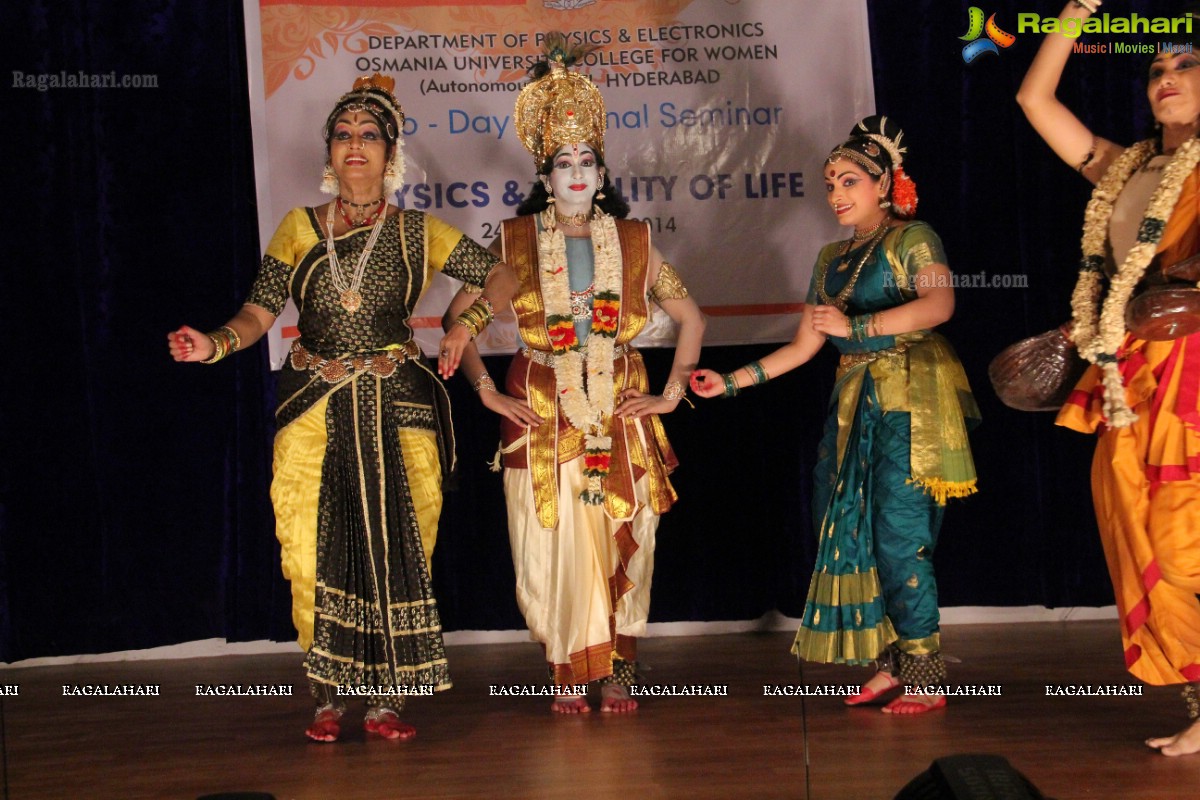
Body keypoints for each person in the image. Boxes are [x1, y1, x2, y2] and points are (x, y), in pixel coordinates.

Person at [168, 74, 516, 742]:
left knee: (400, 547)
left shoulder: (420, 231)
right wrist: (212, 345)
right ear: (329, 153)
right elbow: (258, 311)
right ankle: (328, 696)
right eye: (343, 135)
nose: (354, 145)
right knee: (308, 549)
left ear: (391, 153)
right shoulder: (299, 229)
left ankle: (386, 700)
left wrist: (466, 324)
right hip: (313, 404)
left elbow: (502, 275)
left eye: (369, 135)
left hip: (399, 404)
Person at [440, 36, 706, 714]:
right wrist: (485, 387)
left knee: (624, 537)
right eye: (565, 162)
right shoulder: (512, 244)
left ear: (601, 170)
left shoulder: (637, 241)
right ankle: (568, 671)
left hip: (618, 407)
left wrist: (671, 394)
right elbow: (457, 319)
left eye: (588, 160)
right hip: (541, 407)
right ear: (545, 174)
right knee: (556, 545)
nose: (579, 172)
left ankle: (617, 668)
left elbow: (691, 319)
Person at [691, 116, 980, 715]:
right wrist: (731, 381)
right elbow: (803, 346)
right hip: (854, 409)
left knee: (900, 535)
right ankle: (888, 665)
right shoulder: (829, 260)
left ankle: (926, 674)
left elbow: (940, 302)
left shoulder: (914, 238)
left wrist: (860, 328)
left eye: (849, 181)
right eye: (829, 184)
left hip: (909, 402)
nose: (837, 195)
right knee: (850, 533)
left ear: (884, 184)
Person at [1017, 0, 1200, 756]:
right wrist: (1071, 17)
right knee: (1134, 526)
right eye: (1156, 68)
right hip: (1127, 373)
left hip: (1191, 367)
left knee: (1184, 536)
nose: (1167, 77)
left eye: (1186, 64)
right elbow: (1034, 100)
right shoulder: (1124, 166)